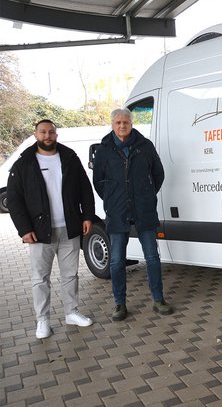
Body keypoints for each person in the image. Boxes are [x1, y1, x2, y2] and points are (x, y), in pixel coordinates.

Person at [7, 119, 95, 339]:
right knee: (40, 278)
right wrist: (24, 229)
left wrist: (87, 216)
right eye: (43, 132)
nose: (47, 136)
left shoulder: (69, 157)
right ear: (35, 134)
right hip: (39, 232)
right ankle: (43, 321)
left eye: (51, 132)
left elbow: (85, 188)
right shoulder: (24, 163)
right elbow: (14, 200)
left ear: (56, 134)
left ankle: (71, 312)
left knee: (70, 275)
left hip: (69, 227)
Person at [92, 108, 172, 321]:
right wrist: (111, 199)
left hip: (144, 209)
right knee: (117, 261)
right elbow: (98, 181)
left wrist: (146, 194)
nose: (122, 126)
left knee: (152, 258)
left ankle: (158, 299)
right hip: (117, 211)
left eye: (125, 122)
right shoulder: (104, 149)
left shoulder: (145, 146)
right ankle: (119, 304)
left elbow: (158, 174)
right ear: (112, 125)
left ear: (131, 123)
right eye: (118, 122)